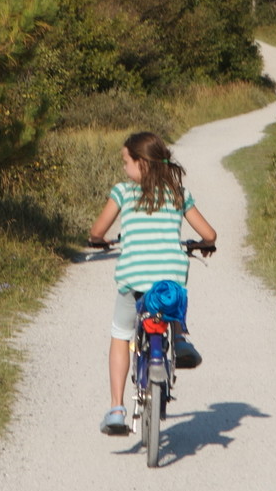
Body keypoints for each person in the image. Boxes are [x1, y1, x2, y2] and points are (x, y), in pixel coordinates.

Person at [88, 131, 217, 435]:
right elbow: (209, 234)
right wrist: (203, 243)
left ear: (141, 164)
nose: (124, 168)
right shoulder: (178, 194)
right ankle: (181, 338)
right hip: (168, 276)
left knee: (121, 334)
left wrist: (98, 240)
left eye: (126, 161)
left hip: (134, 279)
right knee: (171, 294)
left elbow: (97, 230)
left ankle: (117, 409)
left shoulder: (123, 192)